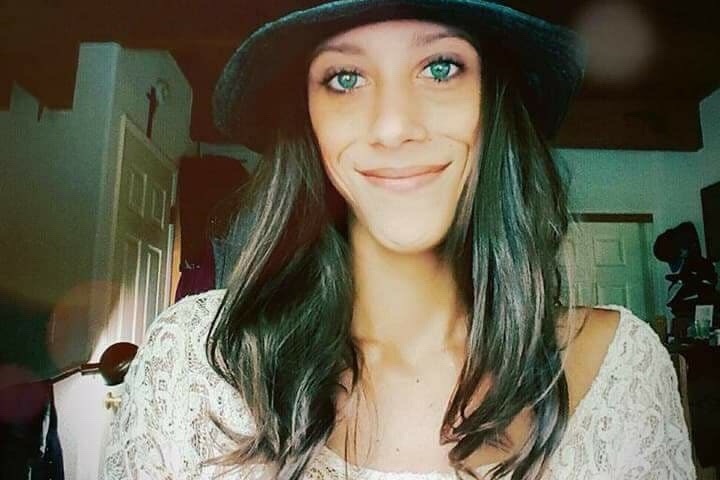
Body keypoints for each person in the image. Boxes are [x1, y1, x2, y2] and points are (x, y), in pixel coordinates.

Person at [100, 1, 695, 479]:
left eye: (440, 68)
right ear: (307, 117)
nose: (392, 126)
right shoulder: (192, 365)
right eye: (345, 77)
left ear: (493, 100)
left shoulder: (621, 368)